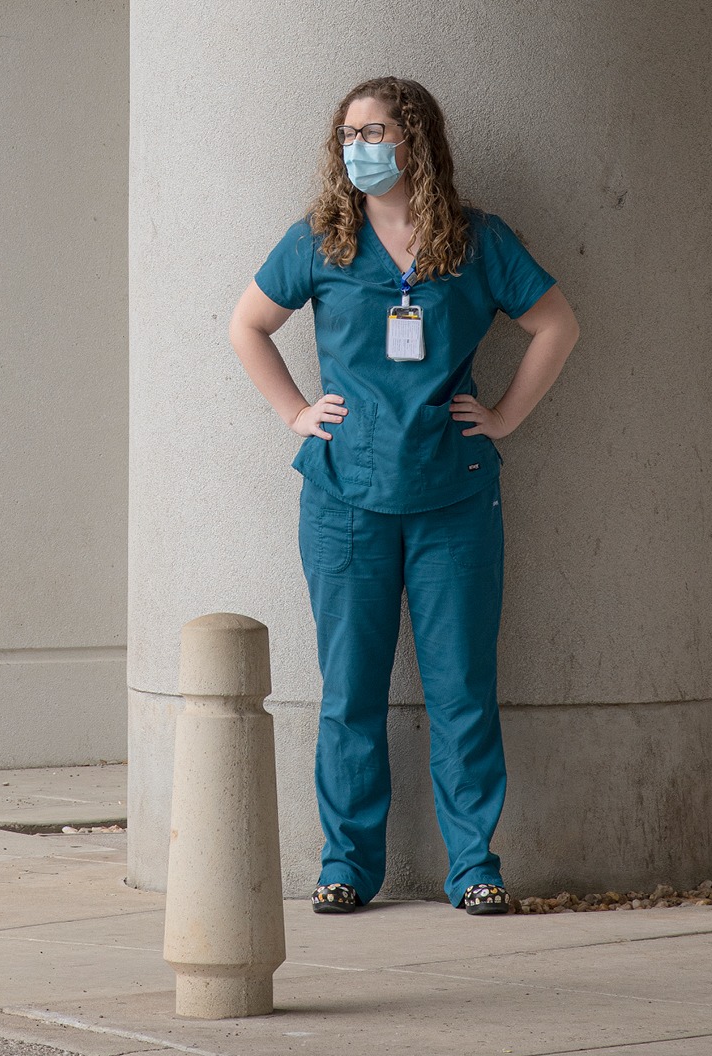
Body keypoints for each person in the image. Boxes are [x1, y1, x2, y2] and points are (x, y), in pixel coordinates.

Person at [228, 76, 579, 917]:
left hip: (452, 496)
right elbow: (247, 325)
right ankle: (346, 864)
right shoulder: (321, 240)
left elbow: (557, 324)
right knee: (349, 690)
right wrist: (297, 413)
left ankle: (474, 869)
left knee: (462, 687)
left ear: (415, 140)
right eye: (349, 134)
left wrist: (501, 417)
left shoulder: (475, 240)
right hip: (345, 497)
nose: (359, 148)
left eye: (376, 131)